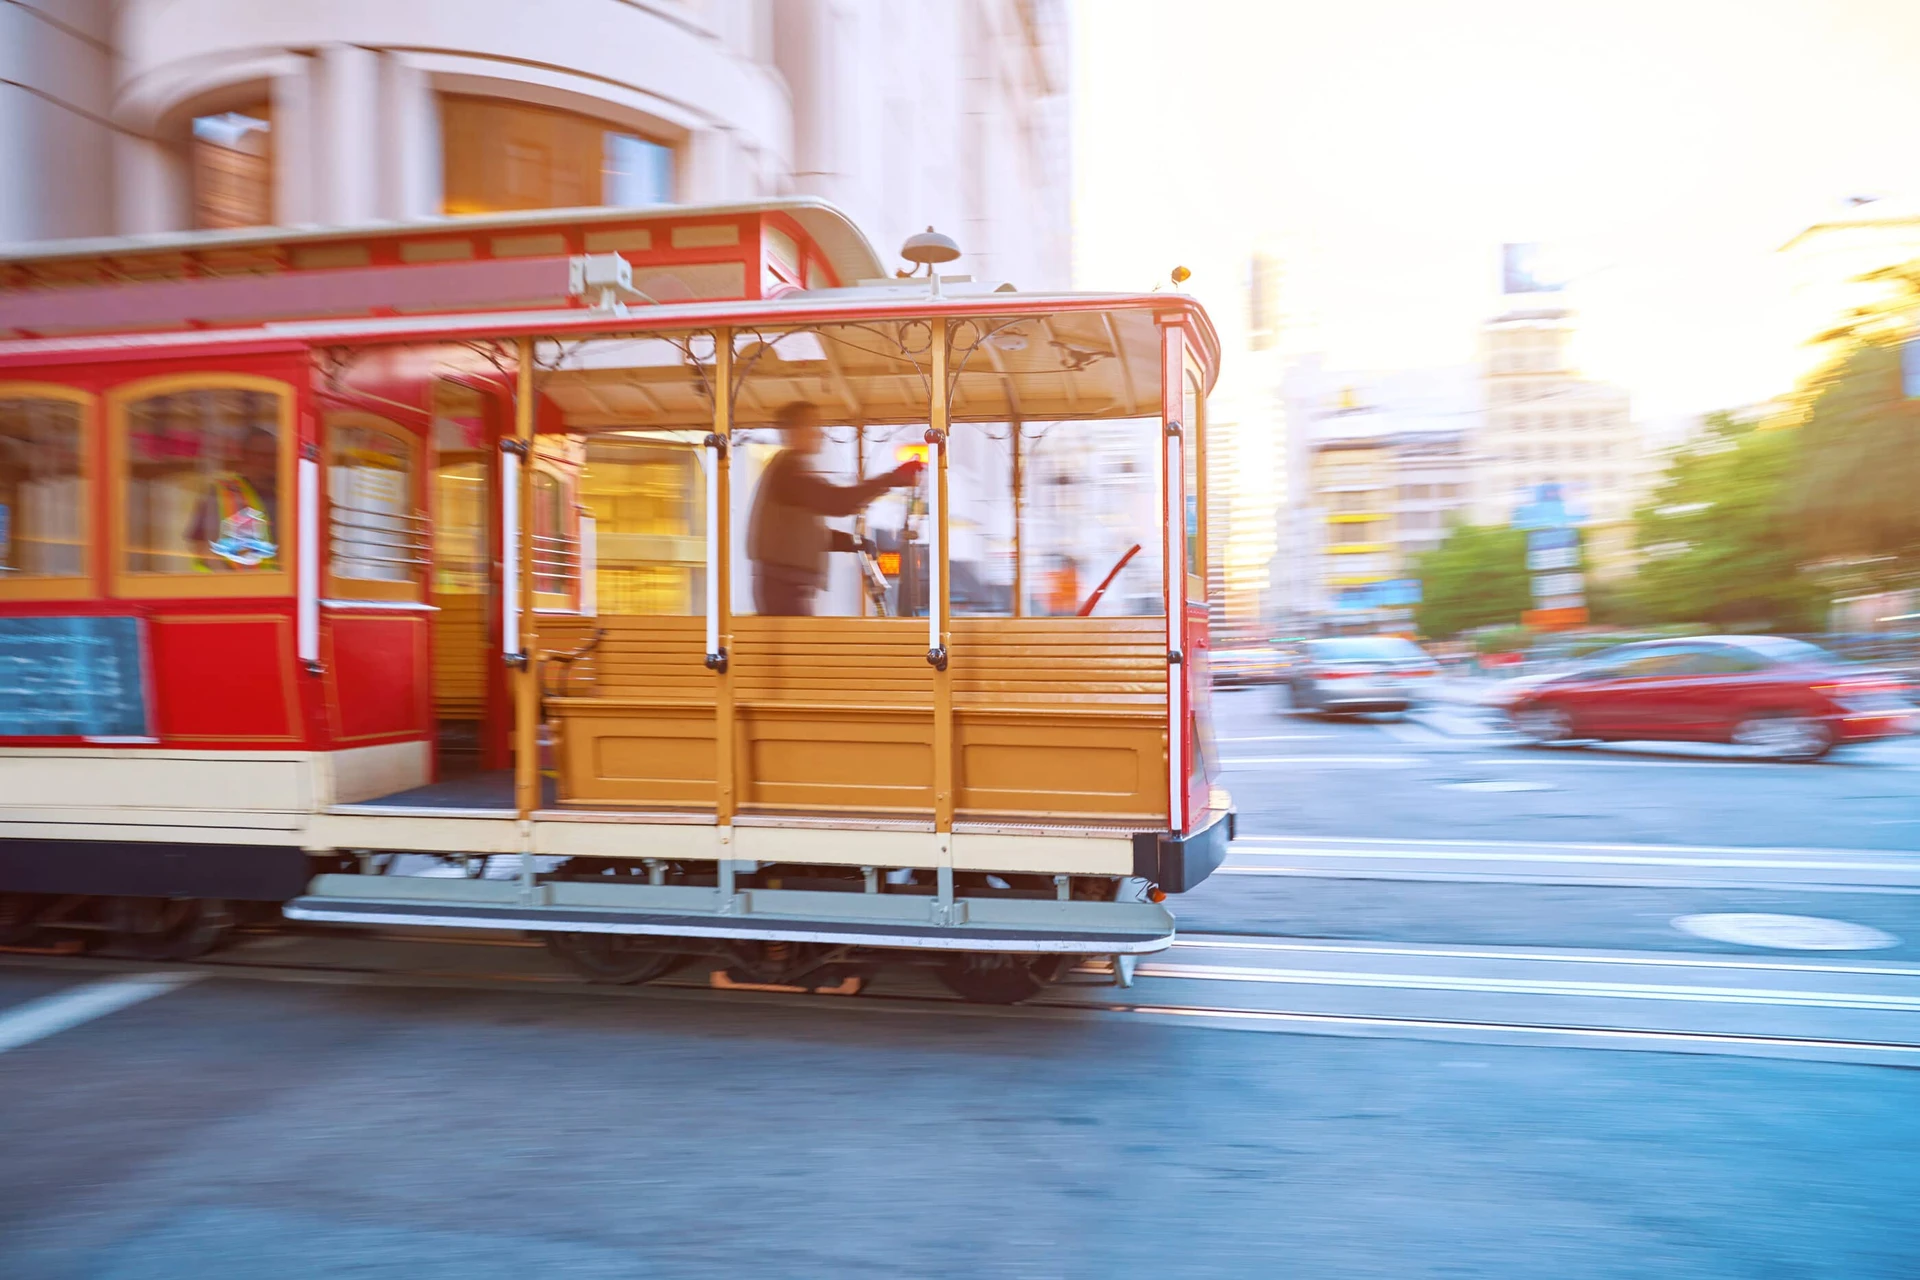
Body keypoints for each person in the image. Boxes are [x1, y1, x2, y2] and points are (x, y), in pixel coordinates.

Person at [747, 402, 922, 616]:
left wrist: (853, 543)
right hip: (784, 590)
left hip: (786, 587)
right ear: (794, 432)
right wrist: (893, 478)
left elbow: (809, 536)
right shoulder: (788, 473)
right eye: (812, 426)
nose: (819, 433)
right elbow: (839, 502)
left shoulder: (790, 472)